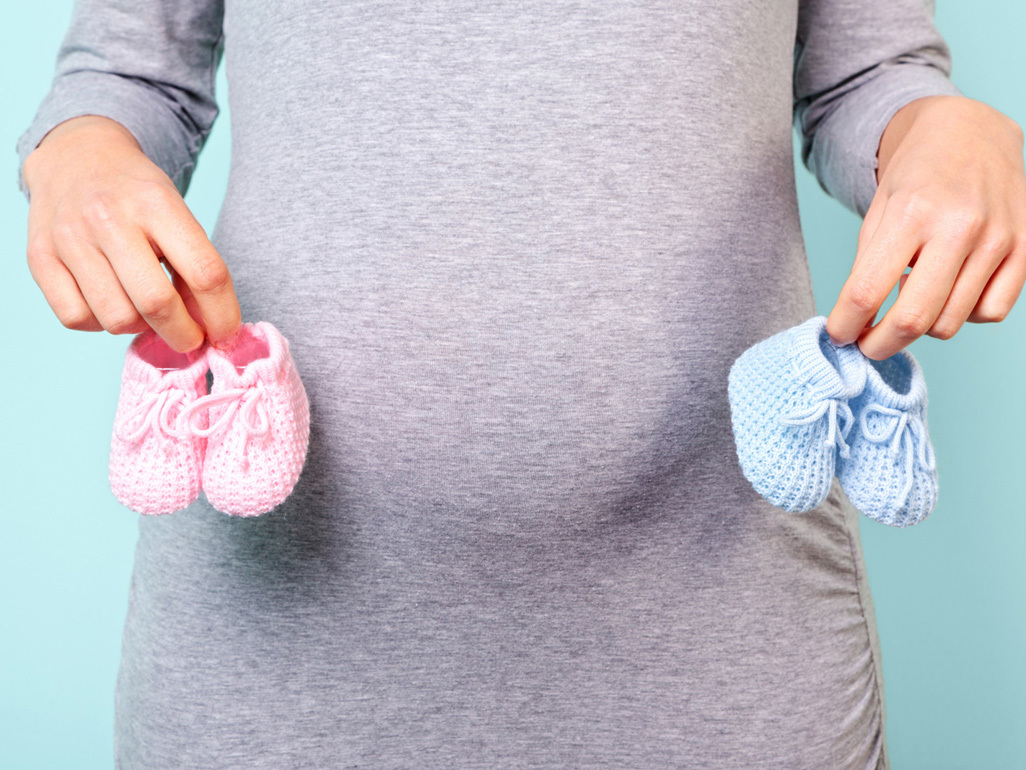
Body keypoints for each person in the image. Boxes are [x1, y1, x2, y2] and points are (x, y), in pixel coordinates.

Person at [15, 0, 1026, 767]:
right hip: (270, 649)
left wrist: (937, 126)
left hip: (725, 637)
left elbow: (868, 76)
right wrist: (80, 151)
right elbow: (127, 73)